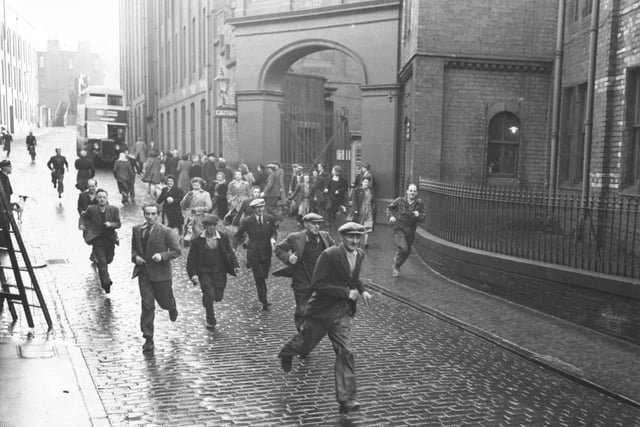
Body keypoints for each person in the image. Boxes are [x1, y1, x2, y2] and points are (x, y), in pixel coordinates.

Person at [277, 222, 372, 414]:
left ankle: (346, 400)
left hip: (341, 313)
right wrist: (346, 292)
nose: (354, 240)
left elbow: (353, 278)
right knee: (304, 345)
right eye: (350, 236)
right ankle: (287, 352)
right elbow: (317, 284)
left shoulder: (360, 255)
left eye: (357, 237)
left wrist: (363, 291)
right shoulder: (329, 255)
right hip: (321, 311)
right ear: (342, 236)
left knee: (345, 352)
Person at [131, 203, 181, 353]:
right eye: (148, 214)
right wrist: (135, 258)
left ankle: (171, 305)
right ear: (144, 214)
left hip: (161, 274)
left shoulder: (166, 231)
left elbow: (176, 251)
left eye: (154, 214)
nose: (151, 217)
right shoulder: (137, 230)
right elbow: (134, 249)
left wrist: (162, 256)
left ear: (158, 215)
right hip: (144, 272)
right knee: (147, 305)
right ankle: (148, 338)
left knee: (164, 303)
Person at [274, 212, 335, 331]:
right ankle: (301, 329)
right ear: (306, 224)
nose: (317, 226)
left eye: (318, 224)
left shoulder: (325, 236)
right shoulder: (295, 237)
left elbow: (335, 250)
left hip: (319, 278)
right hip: (301, 278)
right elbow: (279, 249)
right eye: (314, 224)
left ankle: (310, 325)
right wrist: (288, 257)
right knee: (302, 307)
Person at [186, 214, 239, 329]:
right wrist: (193, 275)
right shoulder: (197, 241)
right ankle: (211, 320)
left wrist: (235, 265)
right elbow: (191, 260)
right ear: (204, 226)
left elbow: (230, 252)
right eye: (209, 226)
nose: (212, 228)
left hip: (220, 271)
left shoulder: (223, 237)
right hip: (205, 271)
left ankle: (207, 298)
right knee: (209, 294)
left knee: (218, 296)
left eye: (214, 225)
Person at [233, 198, 277, 311]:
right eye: (258, 208)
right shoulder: (248, 221)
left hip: (266, 252)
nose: (260, 210)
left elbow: (274, 232)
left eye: (262, 207)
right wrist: (233, 248)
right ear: (253, 209)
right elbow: (238, 234)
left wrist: (273, 239)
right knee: (259, 277)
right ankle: (264, 300)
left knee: (264, 275)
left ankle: (263, 297)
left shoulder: (270, 219)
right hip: (254, 253)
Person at [79, 189, 121, 294]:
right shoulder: (91, 209)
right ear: (97, 199)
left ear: (107, 198)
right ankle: (106, 283)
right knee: (102, 262)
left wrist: (111, 224)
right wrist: (82, 224)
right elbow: (83, 216)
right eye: (100, 197)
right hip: (97, 239)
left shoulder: (114, 209)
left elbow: (118, 224)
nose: (102, 199)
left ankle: (104, 279)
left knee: (108, 260)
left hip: (110, 239)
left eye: (104, 197)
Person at [387, 183, 425, 277]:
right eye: (411, 190)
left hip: (410, 229)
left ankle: (397, 264)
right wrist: (391, 217)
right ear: (407, 191)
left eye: (414, 191)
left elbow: (423, 218)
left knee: (407, 252)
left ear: (416, 193)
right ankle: (396, 265)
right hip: (399, 228)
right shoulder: (400, 200)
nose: (412, 193)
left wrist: (418, 215)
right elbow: (389, 208)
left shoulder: (419, 203)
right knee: (404, 248)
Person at [180, 177, 212, 244]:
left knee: (198, 230)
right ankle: (187, 243)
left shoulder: (206, 194)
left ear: (201, 185)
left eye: (197, 185)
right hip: (189, 215)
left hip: (199, 215)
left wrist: (198, 209)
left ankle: (199, 243)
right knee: (187, 228)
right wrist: (186, 200)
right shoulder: (189, 193)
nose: (195, 187)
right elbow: (182, 204)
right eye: (193, 185)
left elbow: (209, 207)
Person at [351, 177, 376, 249]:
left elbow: (373, 200)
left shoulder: (370, 190)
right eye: (365, 182)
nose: (366, 184)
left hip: (369, 209)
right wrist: (355, 209)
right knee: (359, 226)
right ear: (362, 182)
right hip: (361, 209)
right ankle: (357, 241)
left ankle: (365, 242)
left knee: (368, 225)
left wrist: (373, 207)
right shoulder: (357, 190)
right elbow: (354, 201)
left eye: (368, 182)